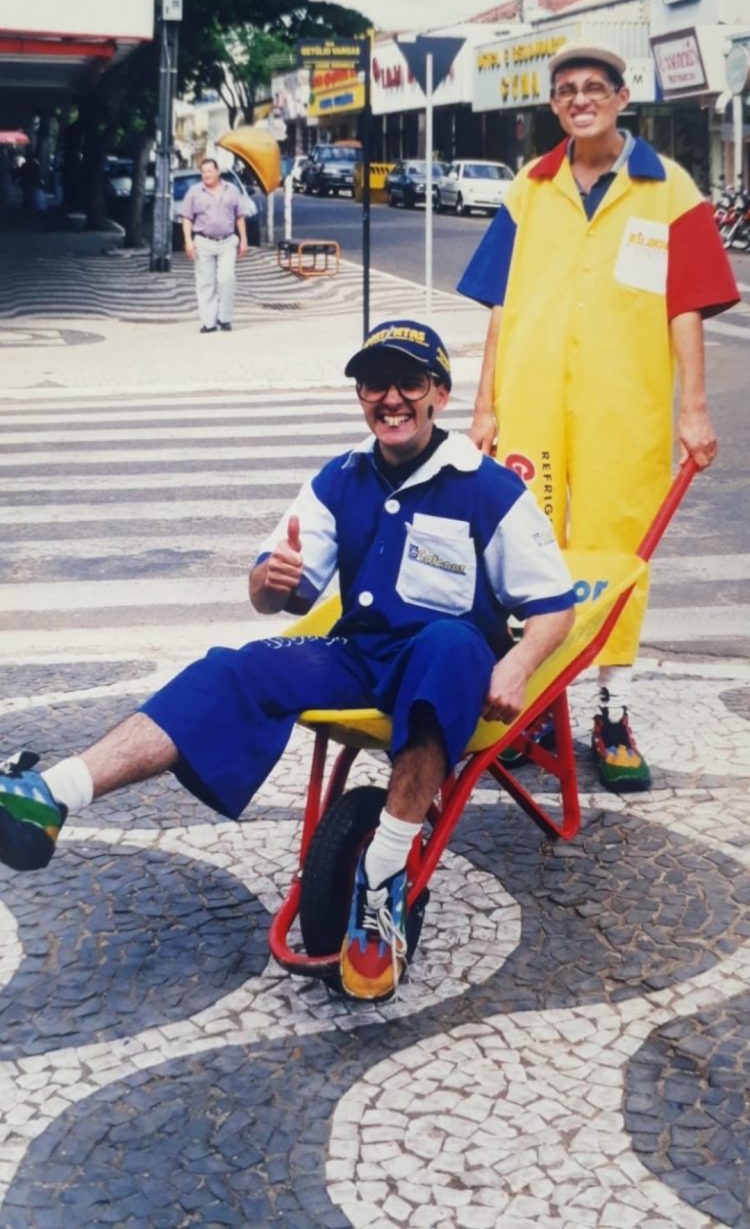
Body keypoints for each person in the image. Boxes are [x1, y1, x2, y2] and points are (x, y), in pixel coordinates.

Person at [0, 320, 575, 1003]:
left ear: (439, 394)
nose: (390, 398)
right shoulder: (340, 477)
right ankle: (55, 792)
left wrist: (519, 665)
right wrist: (271, 584)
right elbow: (276, 588)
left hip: (445, 664)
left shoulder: (485, 487)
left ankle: (383, 880)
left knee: (450, 644)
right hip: (360, 653)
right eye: (373, 383)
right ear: (361, 396)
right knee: (232, 668)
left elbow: (554, 604)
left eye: (409, 382)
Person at [457, 40, 739, 793]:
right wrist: (485, 405)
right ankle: (530, 702)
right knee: (528, 554)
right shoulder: (530, 185)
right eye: (566, 90)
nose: (580, 98)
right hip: (533, 401)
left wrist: (697, 407)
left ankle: (611, 711)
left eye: (594, 87)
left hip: (626, 405)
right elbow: (501, 306)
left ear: (621, 98)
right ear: (555, 106)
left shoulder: (668, 188)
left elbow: (686, 306)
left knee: (617, 557)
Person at [182, 157, 248, 334]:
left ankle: (225, 318)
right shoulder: (194, 192)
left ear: (217, 172)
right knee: (205, 282)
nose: (207, 175)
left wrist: (244, 239)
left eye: (210, 171)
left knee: (227, 279)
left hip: (227, 241)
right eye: (203, 172)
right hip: (203, 242)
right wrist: (188, 241)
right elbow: (187, 218)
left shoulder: (232, 190)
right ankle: (208, 322)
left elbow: (239, 216)